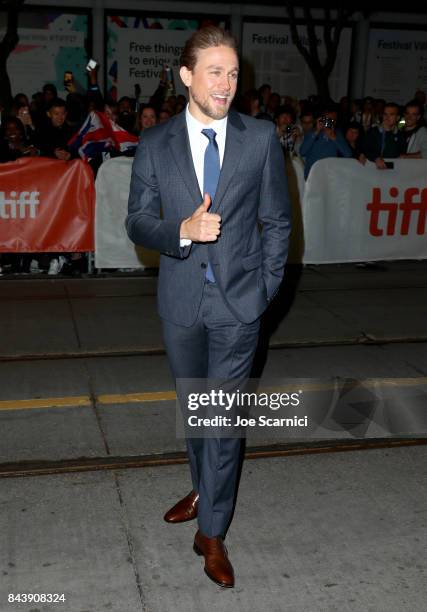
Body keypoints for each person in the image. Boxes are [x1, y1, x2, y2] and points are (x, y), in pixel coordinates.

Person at [126, 26, 291, 588]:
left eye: (234, 73)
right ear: (187, 76)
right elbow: (137, 220)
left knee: (221, 421)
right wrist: (183, 229)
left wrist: (264, 290)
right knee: (195, 414)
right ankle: (203, 487)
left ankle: (213, 533)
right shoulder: (154, 143)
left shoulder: (260, 137)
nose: (227, 84)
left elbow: (278, 221)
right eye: (216, 72)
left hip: (238, 306)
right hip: (180, 303)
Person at [299, 109, 352, 178]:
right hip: (312, 176)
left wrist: (334, 138)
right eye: (328, 120)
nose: (330, 122)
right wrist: (316, 132)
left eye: (333, 120)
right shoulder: (311, 132)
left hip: (330, 175)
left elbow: (348, 154)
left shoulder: (337, 134)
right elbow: (302, 152)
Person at [362, 102, 406, 169]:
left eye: (391, 114)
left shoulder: (400, 135)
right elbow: (365, 149)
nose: (387, 117)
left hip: (394, 172)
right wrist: (375, 157)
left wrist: (388, 132)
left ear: (397, 118)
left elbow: (398, 154)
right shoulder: (373, 131)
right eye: (385, 114)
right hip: (372, 171)